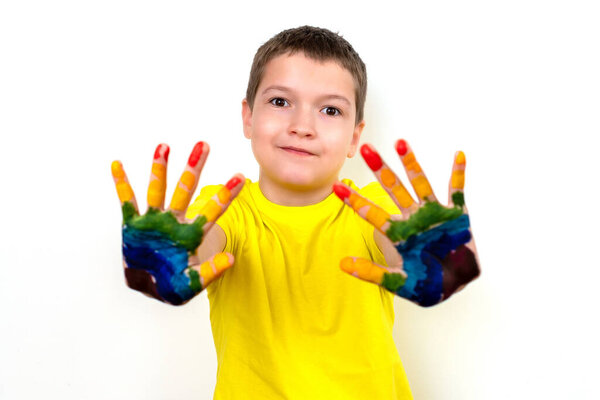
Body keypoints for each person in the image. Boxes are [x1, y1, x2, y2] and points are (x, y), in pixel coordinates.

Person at [111, 26, 480, 399]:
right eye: (280, 102)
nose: (302, 126)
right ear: (248, 117)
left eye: (330, 110)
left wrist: (448, 261)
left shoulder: (373, 211)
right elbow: (194, 251)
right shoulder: (226, 209)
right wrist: (163, 259)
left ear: (354, 136)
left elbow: (413, 253)